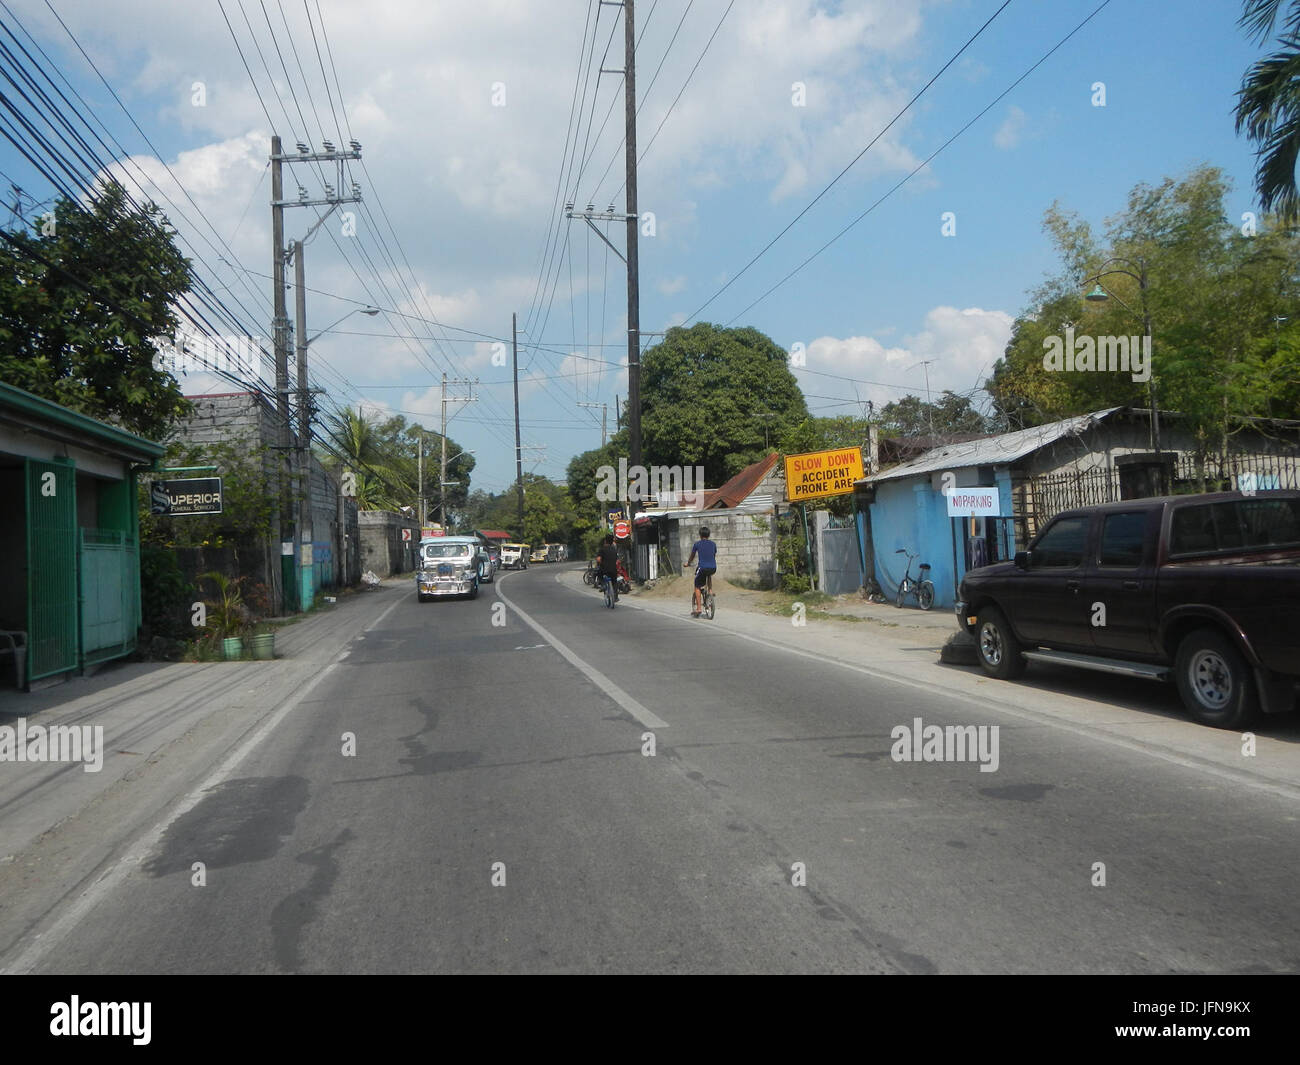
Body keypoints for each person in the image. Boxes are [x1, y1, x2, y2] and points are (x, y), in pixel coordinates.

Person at [686, 526, 717, 616]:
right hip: (713, 567)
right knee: (709, 574)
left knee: (697, 586)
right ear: (709, 535)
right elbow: (713, 555)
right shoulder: (713, 544)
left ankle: (699, 608)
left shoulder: (697, 544)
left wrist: (688, 563)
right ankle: (710, 592)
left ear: (700, 535)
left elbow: (692, 556)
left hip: (702, 567)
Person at [595, 533, 620, 601]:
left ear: (605, 541)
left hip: (604, 569)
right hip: (613, 570)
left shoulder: (602, 549)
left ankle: (603, 585)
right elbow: (617, 561)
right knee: (614, 582)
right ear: (612, 542)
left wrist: (600, 563)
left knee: (598, 573)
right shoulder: (614, 549)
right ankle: (616, 596)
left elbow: (599, 559)